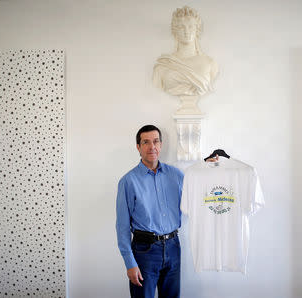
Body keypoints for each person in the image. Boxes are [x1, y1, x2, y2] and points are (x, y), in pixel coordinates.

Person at [116, 125, 184, 298]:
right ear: (138, 147)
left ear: (161, 145)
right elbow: (122, 226)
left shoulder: (177, 176)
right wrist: (129, 263)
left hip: (173, 246)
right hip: (144, 251)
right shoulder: (128, 181)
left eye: (155, 141)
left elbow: (195, 202)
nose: (151, 146)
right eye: (145, 142)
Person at [153, 6, 218, 114]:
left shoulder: (210, 63)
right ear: (175, 31)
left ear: (197, 30)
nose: (186, 31)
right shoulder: (163, 65)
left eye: (191, 27)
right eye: (181, 27)